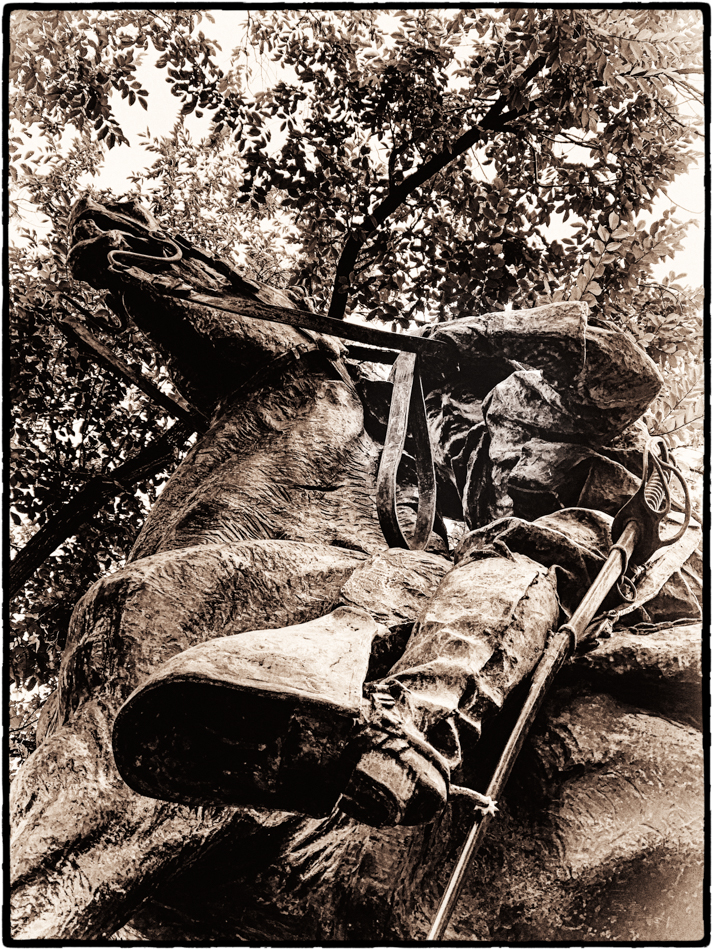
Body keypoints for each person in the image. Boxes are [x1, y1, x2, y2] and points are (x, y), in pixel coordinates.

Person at [10, 197, 701, 940]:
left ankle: (420, 724)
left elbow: (628, 373)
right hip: (495, 545)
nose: (474, 426)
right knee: (408, 568)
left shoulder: (549, 393)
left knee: (509, 557)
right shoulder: (454, 451)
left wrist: (474, 339)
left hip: (602, 545)